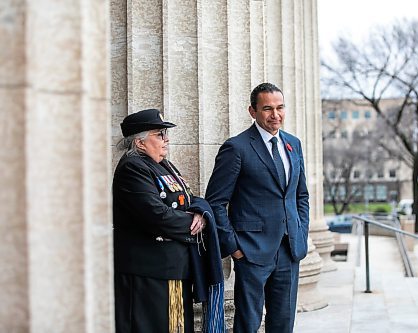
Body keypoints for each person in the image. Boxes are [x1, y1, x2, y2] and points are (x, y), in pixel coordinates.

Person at [205, 83, 310, 332]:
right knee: (248, 325)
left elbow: (301, 195)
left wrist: (301, 232)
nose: (276, 115)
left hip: (289, 250)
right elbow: (216, 202)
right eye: (267, 109)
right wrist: (234, 248)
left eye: (280, 107)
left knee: (283, 324)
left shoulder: (293, 144)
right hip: (251, 252)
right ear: (253, 111)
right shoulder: (237, 147)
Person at [113, 108, 225, 333]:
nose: (166, 139)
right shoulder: (132, 167)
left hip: (172, 266)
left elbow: (191, 198)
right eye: (159, 134)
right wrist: (193, 224)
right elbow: (157, 215)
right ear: (140, 142)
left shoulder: (163, 164)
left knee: (177, 326)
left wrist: (200, 215)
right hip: (149, 272)